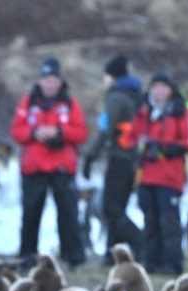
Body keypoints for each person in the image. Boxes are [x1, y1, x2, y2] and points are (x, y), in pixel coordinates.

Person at [10, 56, 88, 269]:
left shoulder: (70, 104)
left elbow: (81, 133)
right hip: (34, 167)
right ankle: (27, 256)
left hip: (62, 167)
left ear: (60, 81)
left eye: (54, 79)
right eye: (47, 79)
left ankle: (73, 257)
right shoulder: (27, 103)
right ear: (40, 81)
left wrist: (59, 133)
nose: (51, 84)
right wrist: (35, 132)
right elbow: (16, 131)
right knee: (30, 213)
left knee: (68, 213)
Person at [124, 69, 188, 275]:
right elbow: (129, 138)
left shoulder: (180, 111)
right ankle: (151, 262)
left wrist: (168, 147)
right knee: (149, 221)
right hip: (146, 175)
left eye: (164, 87)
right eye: (156, 87)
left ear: (170, 89)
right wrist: (139, 147)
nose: (160, 91)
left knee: (170, 222)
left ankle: (173, 264)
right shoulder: (143, 111)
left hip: (170, 176)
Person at [82, 53, 144, 264]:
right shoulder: (135, 94)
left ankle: (140, 242)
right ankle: (112, 255)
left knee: (111, 209)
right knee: (117, 207)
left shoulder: (116, 97)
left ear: (112, 76)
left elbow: (106, 129)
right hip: (132, 158)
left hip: (119, 158)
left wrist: (90, 156)